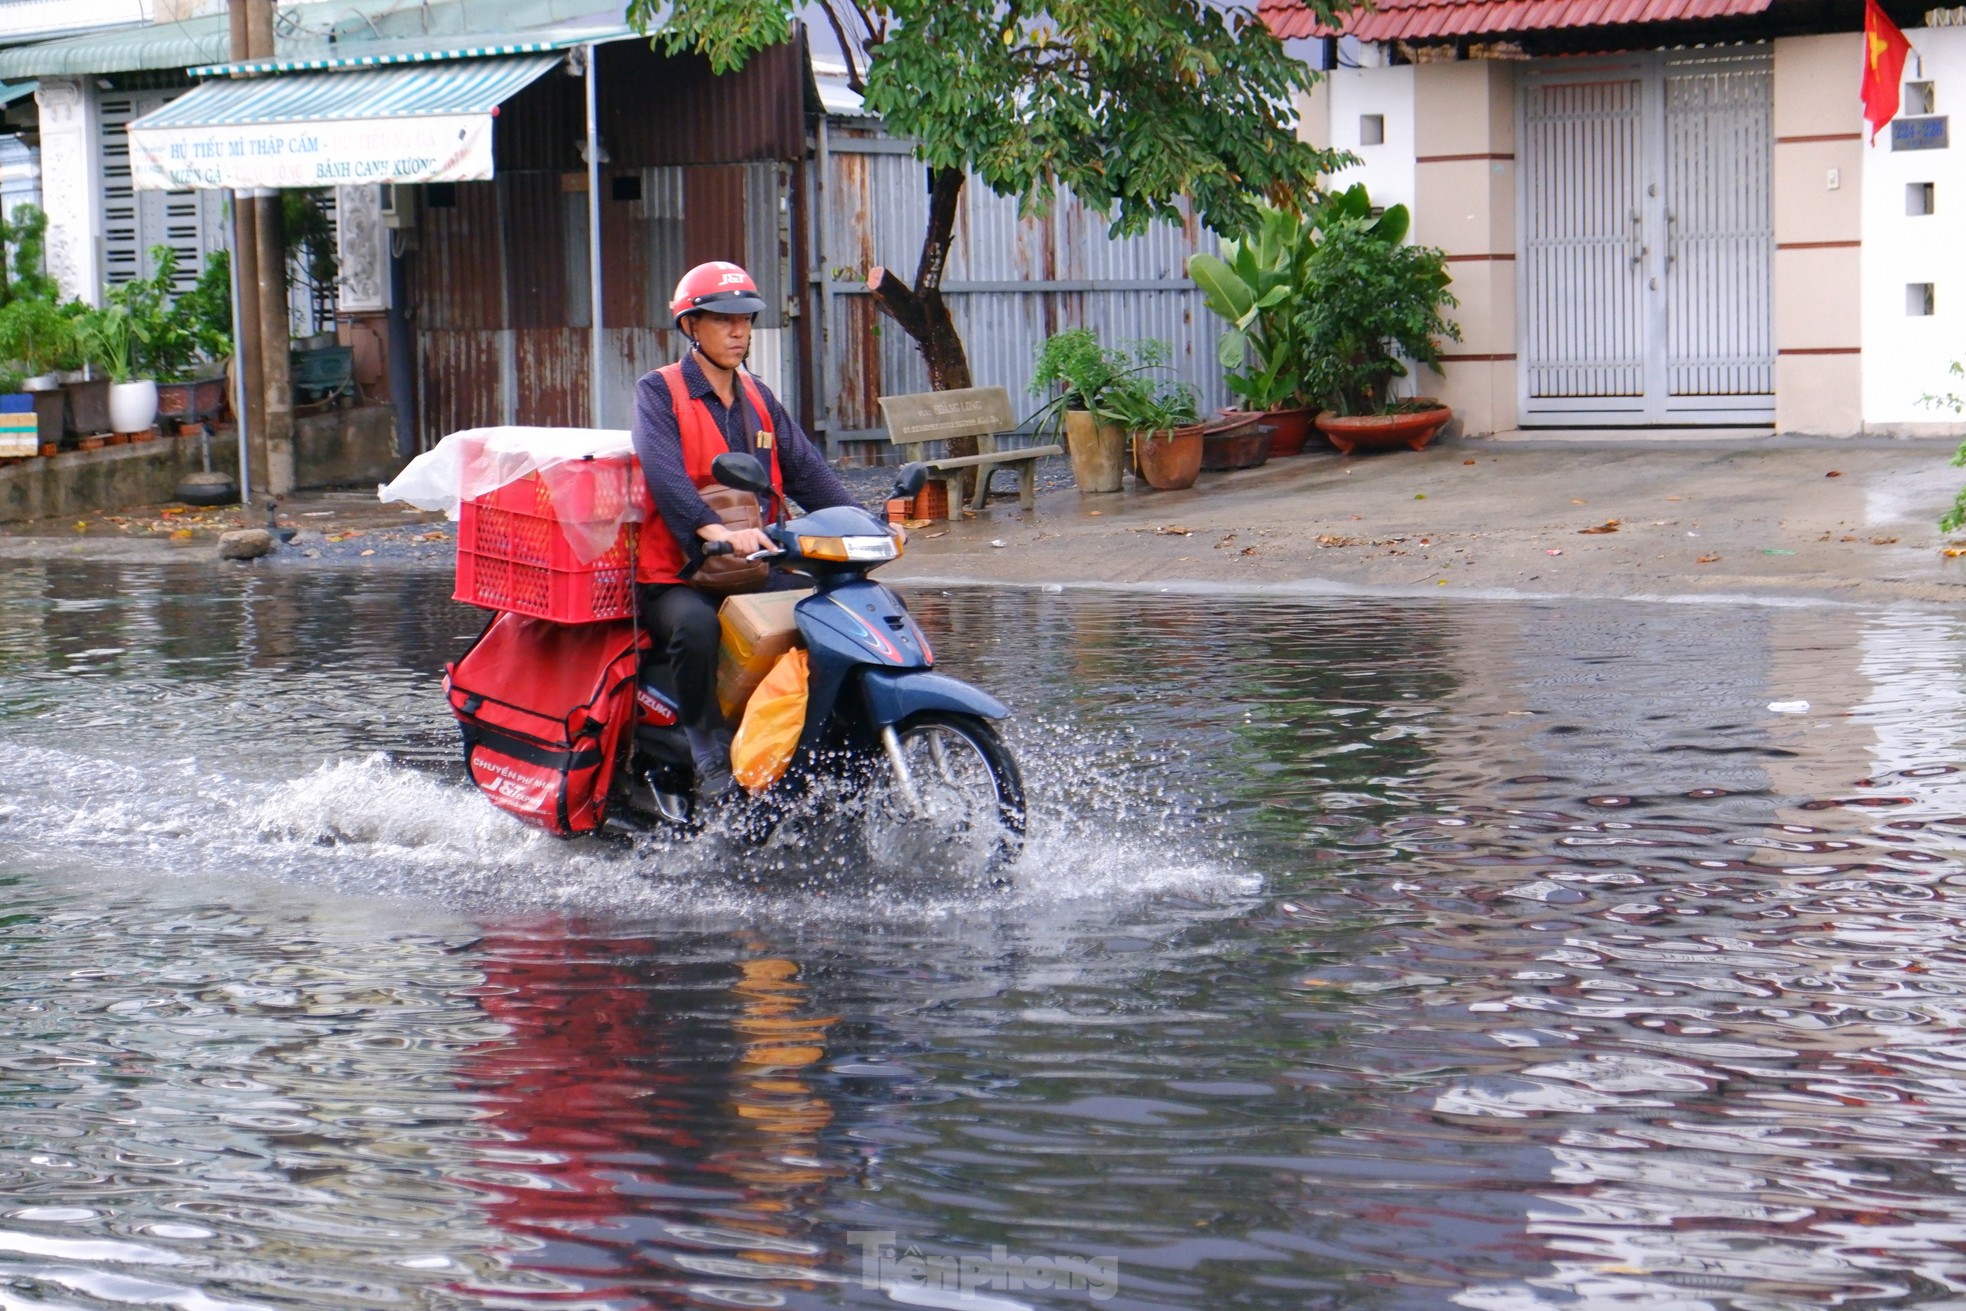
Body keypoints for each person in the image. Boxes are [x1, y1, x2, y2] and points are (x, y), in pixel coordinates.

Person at [631, 260, 859, 804]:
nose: (739, 332)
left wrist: (860, 524)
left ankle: (809, 733)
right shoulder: (658, 391)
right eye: (723, 320)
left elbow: (806, 471)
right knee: (696, 628)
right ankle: (705, 744)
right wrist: (711, 528)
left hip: (751, 564)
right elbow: (663, 474)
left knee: (824, 611)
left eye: (746, 320)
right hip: (677, 574)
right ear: (691, 327)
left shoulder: (758, 396)